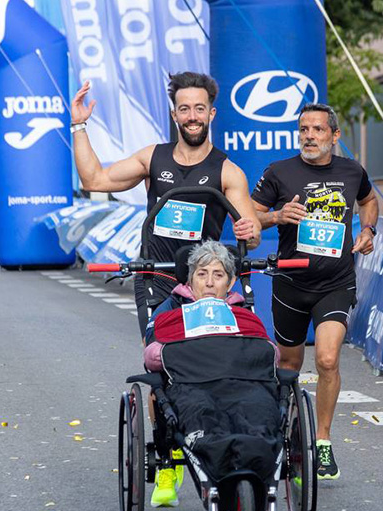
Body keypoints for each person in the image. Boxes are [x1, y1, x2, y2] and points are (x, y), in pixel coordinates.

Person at [71, 71, 261, 337]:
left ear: (211, 114)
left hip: (204, 282)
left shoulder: (228, 172)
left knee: (204, 353)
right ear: (175, 116)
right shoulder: (152, 158)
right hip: (155, 275)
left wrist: (248, 233)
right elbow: (94, 180)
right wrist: (79, 126)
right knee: (159, 349)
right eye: (184, 109)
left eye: (199, 109)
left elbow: (252, 239)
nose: (192, 117)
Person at [251, 103, 378, 481]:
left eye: (318, 130)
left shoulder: (352, 171)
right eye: (304, 129)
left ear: (334, 136)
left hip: (335, 282)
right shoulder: (279, 172)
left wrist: (368, 230)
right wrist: (276, 216)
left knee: (326, 360)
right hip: (290, 283)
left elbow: (368, 201)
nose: (309, 136)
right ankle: (285, 431)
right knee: (289, 366)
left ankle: (322, 439)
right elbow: (247, 213)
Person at [142, 241, 278, 508]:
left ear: (230, 282)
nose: (209, 283)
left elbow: (268, 352)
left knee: (258, 412)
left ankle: (251, 469)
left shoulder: (242, 312)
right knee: (201, 415)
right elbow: (151, 356)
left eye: (218, 275)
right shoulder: (170, 309)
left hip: (243, 383)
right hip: (191, 385)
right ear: (190, 279)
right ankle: (168, 466)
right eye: (202, 274)